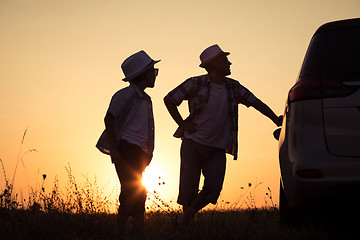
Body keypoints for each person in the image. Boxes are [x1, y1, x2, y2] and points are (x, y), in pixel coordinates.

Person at [163, 44, 282, 226]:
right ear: (214, 64)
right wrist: (182, 123)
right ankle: (186, 229)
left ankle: (185, 219)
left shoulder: (233, 87)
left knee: (213, 189)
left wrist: (275, 119)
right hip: (192, 145)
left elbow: (256, 103)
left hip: (216, 149)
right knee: (188, 192)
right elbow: (169, 99)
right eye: (225, 60)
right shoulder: (195, 83)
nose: (229, 63)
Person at [96, 50, 160, 238]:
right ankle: (135, 232)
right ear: (143, 74)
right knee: (136, 191)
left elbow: (147, 129)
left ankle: (121, 232)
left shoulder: (145, 99)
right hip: (126, 148)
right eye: (153, 72)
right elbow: (109, 118)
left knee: (132, 191)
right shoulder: (126, 95)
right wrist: (115, 151)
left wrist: (148, 153)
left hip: (138, 151)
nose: (155, 75)